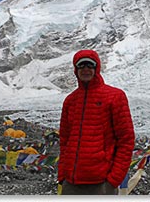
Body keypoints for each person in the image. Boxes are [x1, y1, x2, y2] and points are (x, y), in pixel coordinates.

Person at [58, 49, 135, 195]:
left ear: (96, 68)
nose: (86, 69)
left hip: (101, 183)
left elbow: (126, 140)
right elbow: (64, 140)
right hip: (71, 182)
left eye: (90, 65)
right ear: (76, 69)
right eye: (81, 65)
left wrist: (114, 178)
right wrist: (62, 175)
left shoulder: (115, 97)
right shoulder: (70, 101)